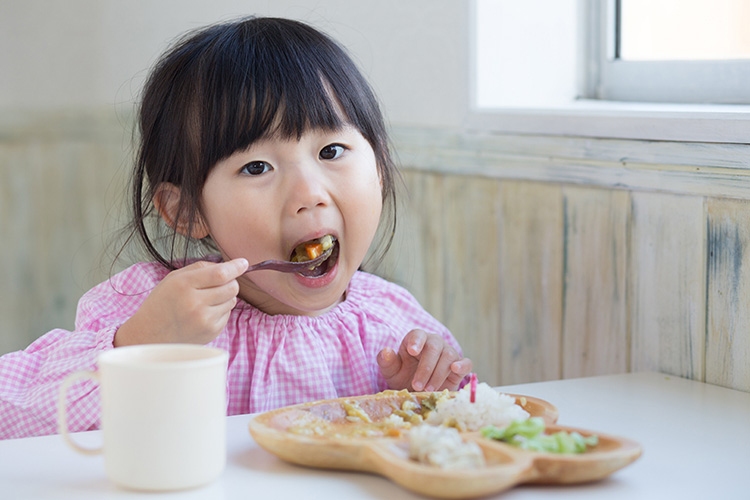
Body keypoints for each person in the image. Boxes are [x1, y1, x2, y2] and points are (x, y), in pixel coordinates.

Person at [0, 17, 472, 439]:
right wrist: (142, 345)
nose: (309, 192)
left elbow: (474, 432)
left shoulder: (396, 322)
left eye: (331, 152)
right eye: (257, 167)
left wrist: (418, 396)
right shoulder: (151, 308)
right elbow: (13, 416)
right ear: (186, 209)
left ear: (380, 170)